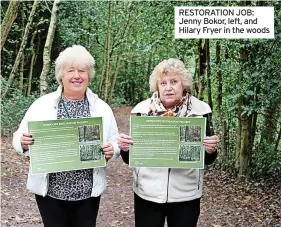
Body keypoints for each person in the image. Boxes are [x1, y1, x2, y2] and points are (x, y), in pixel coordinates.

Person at [12, 45, 120, 227]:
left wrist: (113, 149)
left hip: (87, 192)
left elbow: (115, 142)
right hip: (50, 192)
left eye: (82, 71)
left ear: (89, 76)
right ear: (61, 76)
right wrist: (22, 143)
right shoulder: (42, 105)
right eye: (71, 70)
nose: (77, 76)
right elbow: (18, 136)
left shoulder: (102, 108)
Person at [118, 58, 220, 227]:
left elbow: (207, 159)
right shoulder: (142, 111)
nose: (169, 87)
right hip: (147, 193)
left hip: (186, 194)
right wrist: (125, 148)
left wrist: (210, 150)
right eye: (163, 83)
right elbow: (130, 158)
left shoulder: (201, 111)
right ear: (157, 87)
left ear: (183, 85)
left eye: (174, 82)